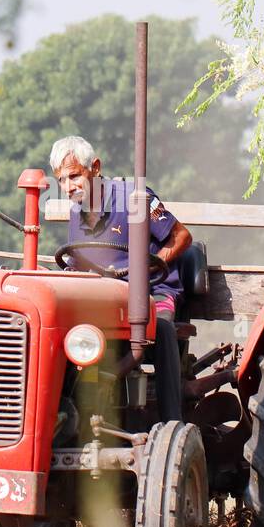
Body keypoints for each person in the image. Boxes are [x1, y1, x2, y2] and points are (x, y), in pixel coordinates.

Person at [50, 135, 191, 420]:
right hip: (105, 298)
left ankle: (172, 421)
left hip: (152, 290)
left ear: (96, 168)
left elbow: (182, 237)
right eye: (61, 181)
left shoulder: (135, 198)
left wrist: (147, 267)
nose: (68, 187)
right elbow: (78, 264)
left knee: (159, 329)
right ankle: (66, 416)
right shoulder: (77, 213)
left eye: (74, 176)